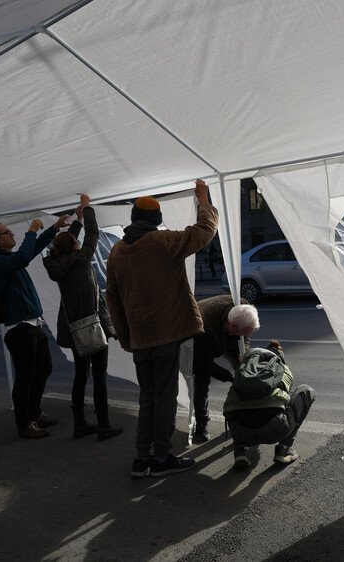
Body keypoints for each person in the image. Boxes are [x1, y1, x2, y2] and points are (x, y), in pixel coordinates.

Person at [105, 180, 218, 478]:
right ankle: (162, 458)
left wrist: (127, 338)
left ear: (133, 219)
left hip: (140, 338)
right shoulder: (161, 241)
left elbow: (112, 299)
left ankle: (141, 459)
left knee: (148, 397)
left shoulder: (117, 251)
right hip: (165, 333)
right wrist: (203, 200)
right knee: (165, 397)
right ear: (156, 220)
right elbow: (205, 231)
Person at [0, 213, 72, 439]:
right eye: (7, 232)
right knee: (25, 377)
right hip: (19, 327)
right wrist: (31, 230)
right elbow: (23, 257)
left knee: (44, 369)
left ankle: (34, 412)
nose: (12, 234)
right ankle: (24, 423)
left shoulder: (8, 258)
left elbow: (31, 251)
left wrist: (53, 228)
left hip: (32, 323)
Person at [42, 193, 124, 442]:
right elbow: (93, 234)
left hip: (72, 328)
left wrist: (77, 221)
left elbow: (69, 243)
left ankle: (80, 425)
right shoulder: (80, 258)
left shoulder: (57, 262)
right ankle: (104, 425)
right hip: (92, 326)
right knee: (99, 377)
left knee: (81, 375)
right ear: (76, 246)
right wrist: (87, 209)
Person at [223, 339, 316, 470]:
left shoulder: (243, 370)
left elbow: (228, 407)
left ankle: (239, 450)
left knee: (236, 405)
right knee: (306, 391)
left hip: (241, 432)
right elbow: (287, 400)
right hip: (275, 430)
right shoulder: (282, 368)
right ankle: (284, 449)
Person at [191, 295, 259, 442]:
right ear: (232, 326)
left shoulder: (243, 306)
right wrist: (230, 378)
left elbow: (245, 336)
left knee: (245, 369)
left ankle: (250, 414)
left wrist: (244, 351)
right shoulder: (202, 327)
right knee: (202, 380)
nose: (247, 336)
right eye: (246, 332)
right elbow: (204, 364)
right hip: (203, 339)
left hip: (227, 335)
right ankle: (201, 424)